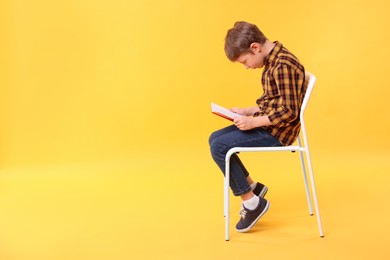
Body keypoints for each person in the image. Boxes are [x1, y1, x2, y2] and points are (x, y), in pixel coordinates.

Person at [209, 21, 306, 233]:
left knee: (219, 147)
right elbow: (275, 102)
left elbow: (289, 111)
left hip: (278, 133)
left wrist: (253, 122)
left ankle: (252, 203)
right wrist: (247, 111)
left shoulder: (283, 65)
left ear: (255, 48)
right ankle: (253, 188)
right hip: (268, 124)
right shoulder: (274, 61)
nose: (246, 67)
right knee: (214, 139)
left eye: (244, 61)